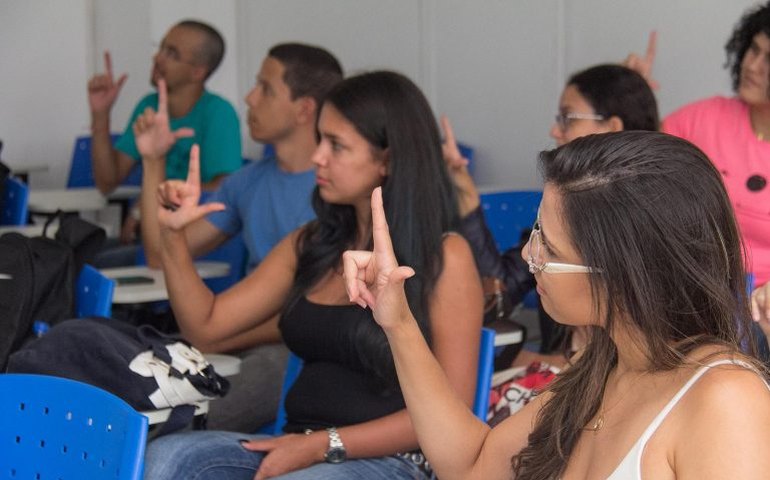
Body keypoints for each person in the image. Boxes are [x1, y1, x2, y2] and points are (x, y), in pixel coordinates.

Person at [348, 130, 770, 479]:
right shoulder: (602, 366)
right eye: (536, 232)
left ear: (619, 274)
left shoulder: (725, 400)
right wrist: (398, 321)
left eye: (548, 247)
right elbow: (473, 467)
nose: (528, 255)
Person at [144, 70, 483, 479]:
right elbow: (207, 327)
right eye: (320, 139)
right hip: (299, 445)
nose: (317, 157)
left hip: (395, 461)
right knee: (166, 459)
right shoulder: (313, 242)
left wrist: (323, 445)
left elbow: (454, 411)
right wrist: (173, 236)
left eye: (336, 145)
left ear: (387, 160)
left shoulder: (446, 255)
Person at [134, 43, 343, 433]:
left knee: (188, 419)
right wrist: (153, 160)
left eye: (266, 89)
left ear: (304, 109)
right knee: (134, 364)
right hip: (233, 334)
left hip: (293, 348)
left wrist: (221, 338)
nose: (249, 98)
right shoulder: (246, 182)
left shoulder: (339, 193)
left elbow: (314, 317)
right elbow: (158, 255)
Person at [445, 64, 658, 358]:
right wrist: (467, 197)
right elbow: (503, 289)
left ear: (612, 127)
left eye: (567, 118)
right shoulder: (561, 210)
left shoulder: (655, 232)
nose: (554, 130)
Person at [628, 4, 770, 304]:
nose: (752, 65)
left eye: (769, 59)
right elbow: (631, 163)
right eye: (753, 50)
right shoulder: (705, 117)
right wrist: (630, 98)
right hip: (693, 297)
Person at [87, 20, 242, 259]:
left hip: (195, 244)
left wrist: (153, 202)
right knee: (75, 259)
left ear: (197, 72)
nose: (157, 58)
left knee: (87, 268)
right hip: (148, 236)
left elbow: (225, 188)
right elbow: (107, 182)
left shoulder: (219, 113)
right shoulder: (148, 105)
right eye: (160, 48)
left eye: (172, 54)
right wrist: (100, 115)